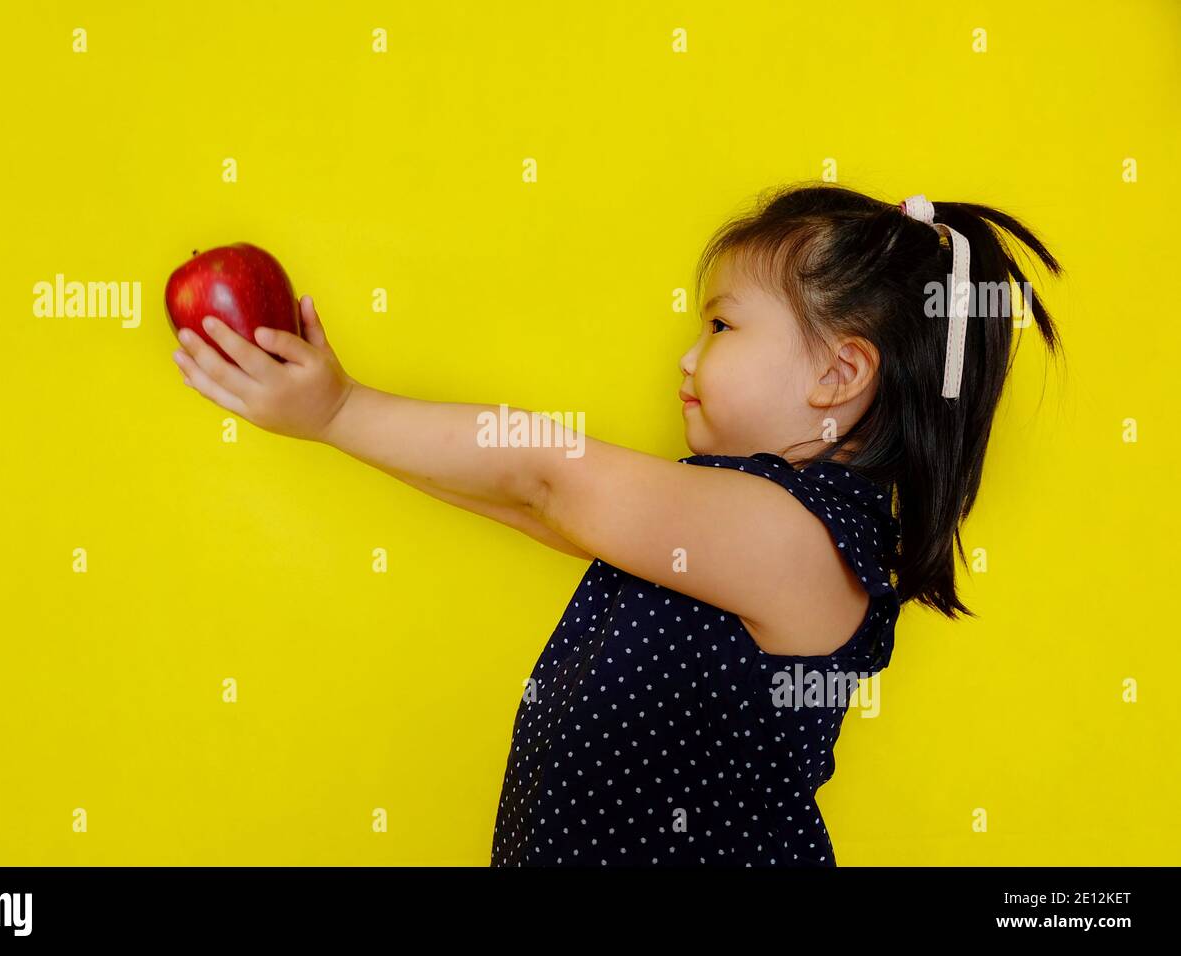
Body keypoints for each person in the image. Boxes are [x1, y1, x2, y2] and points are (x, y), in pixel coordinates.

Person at [170, 181, 1065, 866]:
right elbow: (531, 504)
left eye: (721, 324)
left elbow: (548, 475)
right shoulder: (727, 520)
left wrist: (340, 412)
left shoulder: (793, 540)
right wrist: (337, 432)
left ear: (838, 376)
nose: (688, 353)